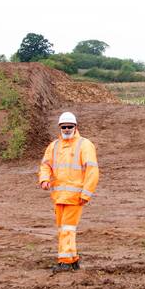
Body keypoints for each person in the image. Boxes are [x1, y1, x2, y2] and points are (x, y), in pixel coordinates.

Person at [37, 111, 99, 271]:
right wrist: (44, 179)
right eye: (63, 127)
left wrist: (86, 193)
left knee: (67, 229)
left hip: (75, 197)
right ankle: (72, 259)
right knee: (64, 229)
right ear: (59, 127)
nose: (66, 129)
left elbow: (92, 171)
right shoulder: (54, 146)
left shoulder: (85, 145)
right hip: (58, 197)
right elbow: (46, 164)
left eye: (69, 126)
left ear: (75, 126)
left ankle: (65, 261)